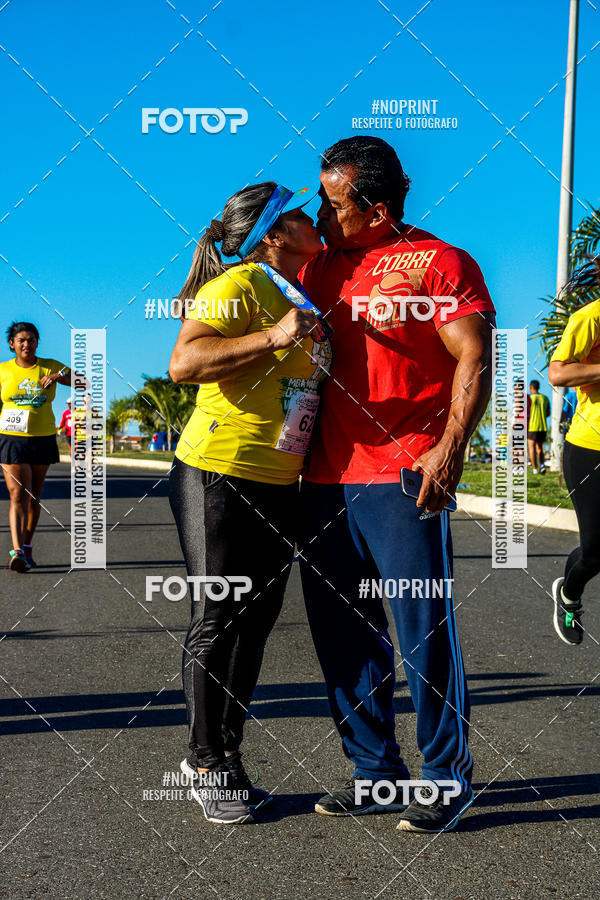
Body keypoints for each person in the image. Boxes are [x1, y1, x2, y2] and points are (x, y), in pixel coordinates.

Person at [296, 136, 495, 834]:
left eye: (333, 202)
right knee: (343, 637)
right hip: (323, 479)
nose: (320, 213)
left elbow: (474, 351)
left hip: (404, 472)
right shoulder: (316, 268)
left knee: (421, 632)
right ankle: (373, 773)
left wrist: (450, 447)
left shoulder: (439, 263)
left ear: (377, 209)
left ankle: (446, 778)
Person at [168, 181, 331, 825]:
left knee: (257, 620)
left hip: (278, 480)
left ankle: (227, 756)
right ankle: (204, 763)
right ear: (272, 235)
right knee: (219, 615)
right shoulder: (236, 288)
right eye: (295, 214)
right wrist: (273, 337)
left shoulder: (300, 290)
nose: (309, 217)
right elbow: (184, 362)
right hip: (219, 472)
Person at [549, 258, 600, 646]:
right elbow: (559, 373)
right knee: (597, 552)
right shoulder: (590, 317)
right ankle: (568, 594)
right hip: (589, 449)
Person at [0, 322, 71, 571]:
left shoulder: (49, 365)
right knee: (17, 493)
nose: (26, 344)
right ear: (12, 344)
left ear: (37, 342)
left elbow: (82, 381)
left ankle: (27, 547)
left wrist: (58, 376)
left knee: (33, 497)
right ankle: (17, 551)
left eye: (31, 339)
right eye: (21, 340)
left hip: (42, 437)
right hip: (11, 438)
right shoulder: (3, 370)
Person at [527, 380, 550, 474]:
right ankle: (542, 465)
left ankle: (534, 469)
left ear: (531, 387)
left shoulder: (529, 398)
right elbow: (548, 413)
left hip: (532, 426)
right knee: (539, 448)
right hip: (543, 426)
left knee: (531, 448)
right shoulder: (545, 398)